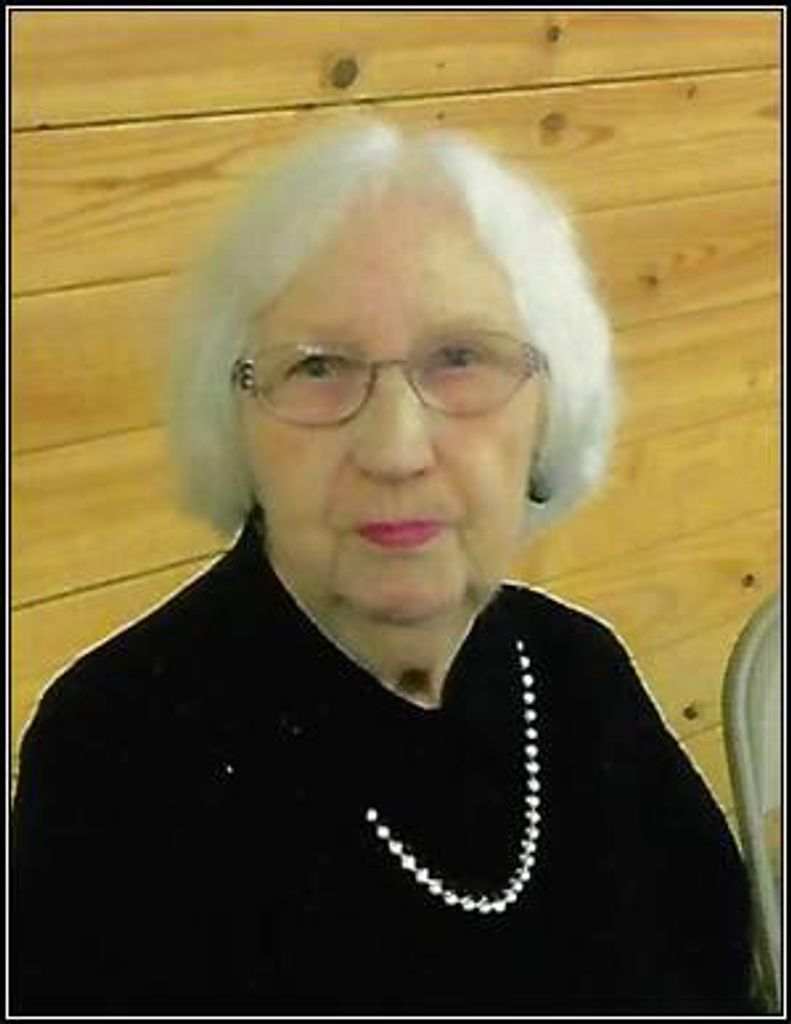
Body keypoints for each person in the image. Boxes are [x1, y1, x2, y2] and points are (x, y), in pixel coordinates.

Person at [11, 118, 758, 1015]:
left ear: (550, 411)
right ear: (234, 421)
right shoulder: (119, 752)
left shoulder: (576, 669)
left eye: (460, 358)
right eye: (318, 367)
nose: (396, 449)